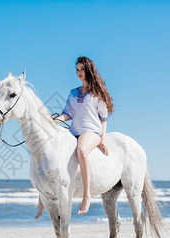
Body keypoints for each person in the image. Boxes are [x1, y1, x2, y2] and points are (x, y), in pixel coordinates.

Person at [36, 56, 114, 218]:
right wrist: (56, 120)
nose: (79, 73)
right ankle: (43, 196)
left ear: (89, 70)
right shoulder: (73, 92)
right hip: (74, 131)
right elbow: (67, 113)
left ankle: (87, 196)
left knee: (82, 150)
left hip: (91, 131)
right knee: (52, 152)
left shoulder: (97, 94)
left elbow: (104, 118)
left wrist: (102, 139)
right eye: (77, 70)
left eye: (82, 69)